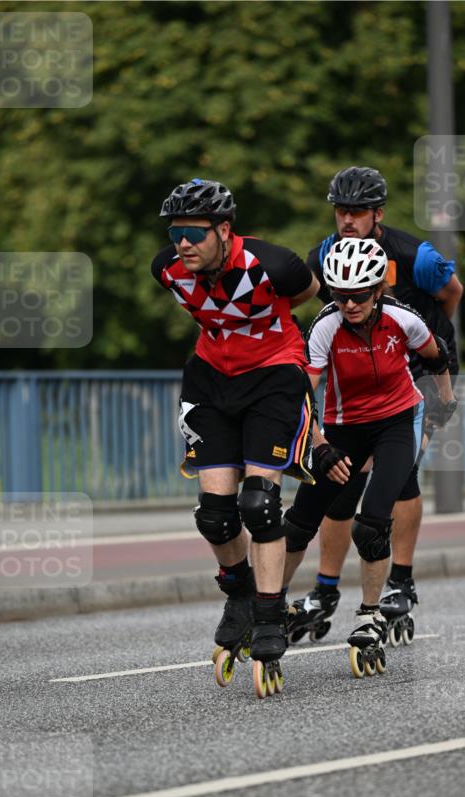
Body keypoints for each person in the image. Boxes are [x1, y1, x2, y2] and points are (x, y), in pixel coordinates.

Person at [151, 178, 319, 669]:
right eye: (175, 232)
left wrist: (259, 331)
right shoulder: (167, 269)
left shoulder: (273, 265)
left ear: (224, 230)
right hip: (209, 379)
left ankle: (269, 617)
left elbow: (306, 292)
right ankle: (239, 595)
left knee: (259, 504)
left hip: (272, 375)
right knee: (215, 514)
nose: (182, 242)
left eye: (194, 233)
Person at [295, 166, 462, 636]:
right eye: (341, 211)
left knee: (401, 474)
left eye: (358, 212)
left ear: (378, 214)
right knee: (340, 481)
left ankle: (400, 583)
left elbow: (452, 294)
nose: (347, 220)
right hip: (362, 368)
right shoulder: (325, 253)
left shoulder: (415, 255)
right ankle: (326, 587)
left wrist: (424, 335)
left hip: (418, 365)